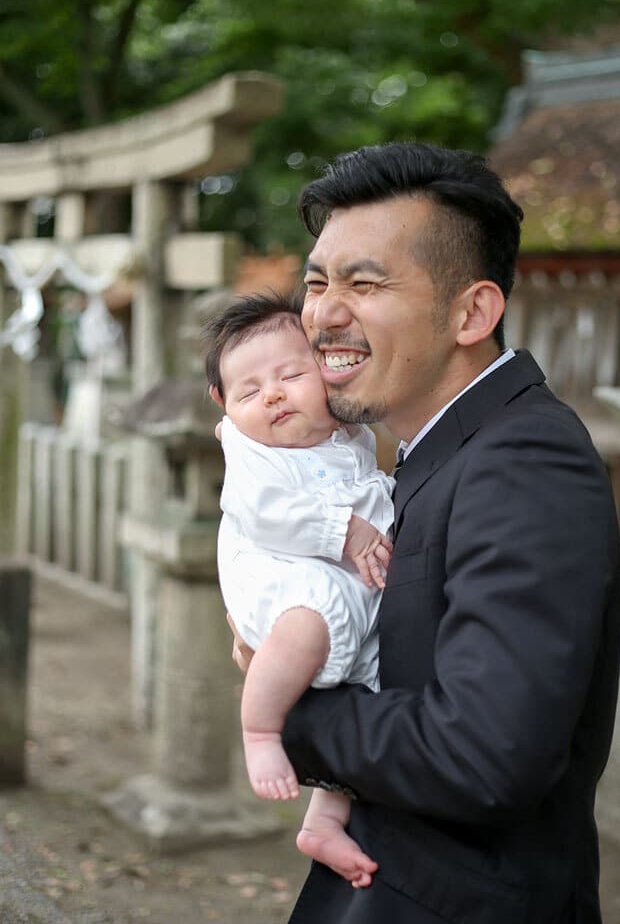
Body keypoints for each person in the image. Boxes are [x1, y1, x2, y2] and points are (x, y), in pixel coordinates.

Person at [227, 143, 620, 924]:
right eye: (316, 282)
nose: (321, 314)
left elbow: (485, 756)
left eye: (364, 282)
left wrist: (281, 706)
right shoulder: (426, 449)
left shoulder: (524, 459)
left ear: (471, 312)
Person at [204, 292, 394, 888]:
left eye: (290, 374)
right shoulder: (252, 453)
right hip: (279, 577)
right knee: (306, 623)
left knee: (375, 680)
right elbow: (263, 513)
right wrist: (348, 530)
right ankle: (260, 731)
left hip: (344, 591)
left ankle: (324, 820)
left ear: (325, 373)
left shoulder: (350, 440)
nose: (274, 395)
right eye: (250, 391)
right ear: (223, 405)